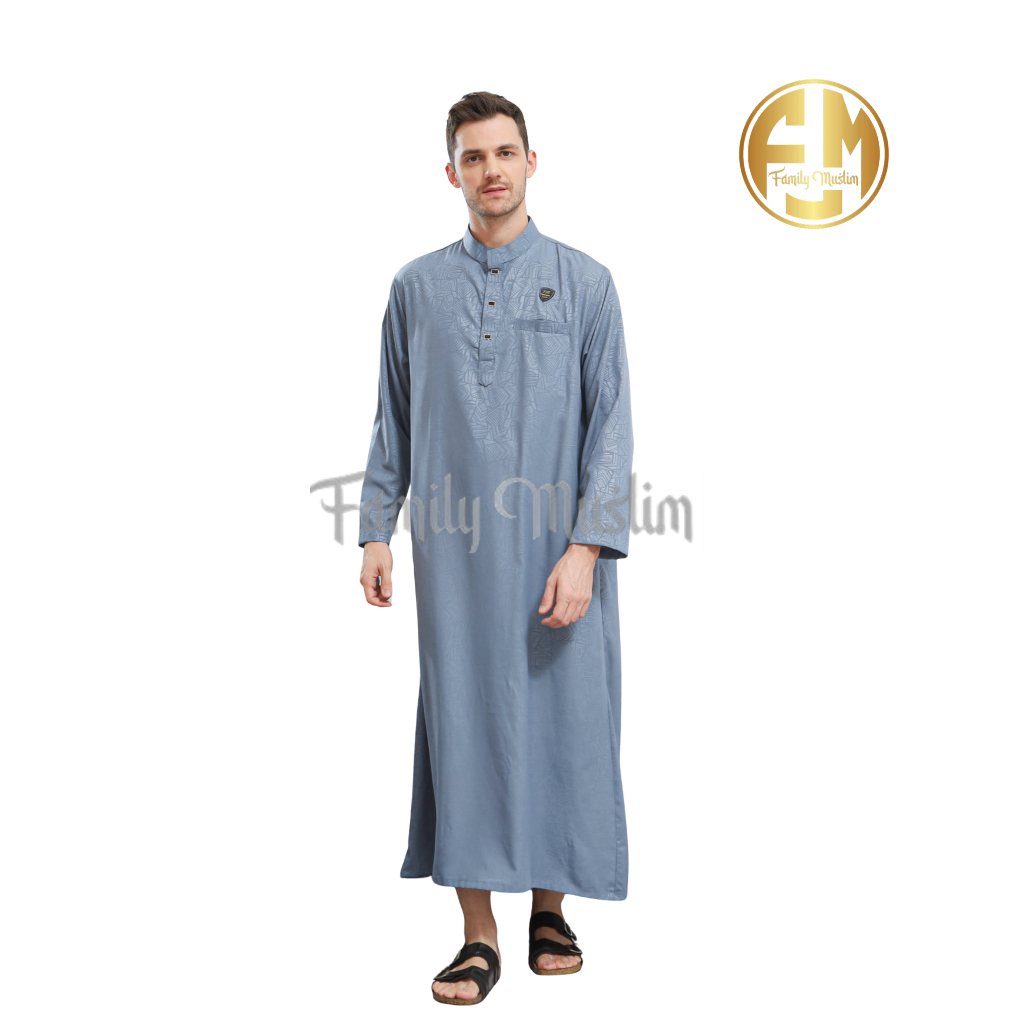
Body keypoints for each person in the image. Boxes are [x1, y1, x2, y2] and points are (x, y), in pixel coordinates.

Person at [357, 90, 634, 1005]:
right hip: (456, 558)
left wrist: (588, 548)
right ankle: (479, 935)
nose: (492, 171)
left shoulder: (586, 284)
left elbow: (612, 429)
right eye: (473, 157)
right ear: (452, 172)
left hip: (559, 553)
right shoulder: (415, 289)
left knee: (566, 719)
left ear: (531, 161)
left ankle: (551, 910)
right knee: (466, 722)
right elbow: (393, 419)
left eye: (505, 152)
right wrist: (375, 529)